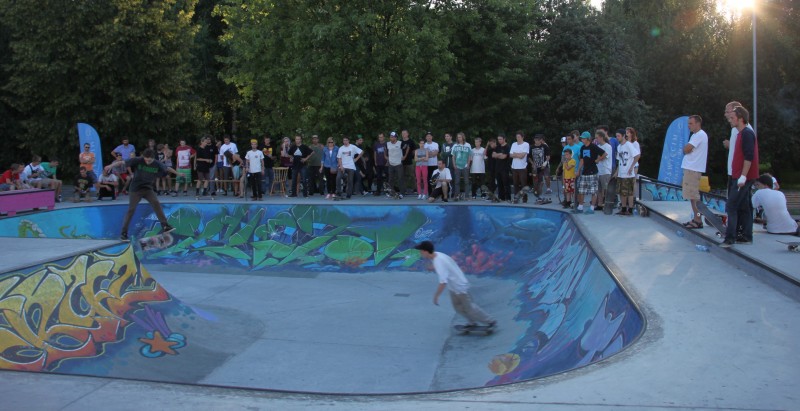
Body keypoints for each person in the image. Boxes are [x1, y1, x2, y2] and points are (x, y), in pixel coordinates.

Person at [414, 240, 495, 330]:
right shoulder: (437, 255)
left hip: (460, 287)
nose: (420, 253)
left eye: (421, 251)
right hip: (453, 287)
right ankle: (472, 322)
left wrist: (436, 296)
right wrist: (432, 268)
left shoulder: (438, 261)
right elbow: (446, 266)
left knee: (470, 308)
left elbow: (443, 282)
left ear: (425, 251)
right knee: (458, 307)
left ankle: (490, 321)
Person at [105, 148, 177, 241]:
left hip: (147, 189)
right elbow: (121, 162)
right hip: (135, 189)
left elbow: (167, 168)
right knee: (131, 209)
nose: (147, 162)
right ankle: (123, 233)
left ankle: (165, 226)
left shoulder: (157, 163)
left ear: (153, 158)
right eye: (146, 160)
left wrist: (178, 173)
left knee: (156, 203)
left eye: (149, 160)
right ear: (144, 157)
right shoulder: (138, 160)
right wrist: (110, 165)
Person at [722, 106, 759, 247]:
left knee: (731, 206)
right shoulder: (740, 133)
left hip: (743, 177)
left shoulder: (747, 133)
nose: (730, 120)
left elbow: (749, 156)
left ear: (740, 118)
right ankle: (746, 236)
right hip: (738, 175)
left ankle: (730, 238)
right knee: (744, 206)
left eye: (732, 118)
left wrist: (743, 177)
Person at [681, 115, 709, 228]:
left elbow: (686, 149)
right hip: (691, 168)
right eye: (688, 123)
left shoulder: (700, 135)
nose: (689, 126)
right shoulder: (695, 135)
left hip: (693, 169)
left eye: (691, 123)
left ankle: (698, 220)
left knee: (694, 196)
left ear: (698, 123)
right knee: (692, 196)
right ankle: (696, 218)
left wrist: (685, 149)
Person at [573, 131, 607, 214]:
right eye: (581, 138)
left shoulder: (593, 146)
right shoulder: (582, 147)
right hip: (584, 171)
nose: (582, 140)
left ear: (588, 139)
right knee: (581, 190)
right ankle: (580, 207)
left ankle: (591, 208)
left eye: (583, 138)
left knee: (593, 191)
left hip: (593, 171)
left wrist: (598, 159)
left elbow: (604, 153)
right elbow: (582, 160)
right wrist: (578, 170)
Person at [616, 129, 641, 215]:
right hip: (621, 172)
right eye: (616, 136)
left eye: (618, 136)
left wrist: (631, 166)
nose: (617, 137)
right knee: (621, 192)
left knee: (629, 192)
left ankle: (630, 209)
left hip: (628, 173)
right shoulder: (619, 147)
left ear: (623, 136)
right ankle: (623, 208)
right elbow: (619, 160)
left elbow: (637, 155)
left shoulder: (629, 145)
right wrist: (616, 172)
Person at [594, 131, 613, 211]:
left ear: (601, 137)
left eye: (597, 137)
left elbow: (605, 156)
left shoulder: (608, 146)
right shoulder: (597, 146)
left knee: (605, 189)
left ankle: (606, 204)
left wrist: (598, 159)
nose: (596, 139)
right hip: (598, 170)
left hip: (605, 170)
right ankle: (599, 204)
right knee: (599, 189)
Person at [451, 132, 472, 201]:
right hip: (457, 166)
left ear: (463, 137)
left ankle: (467, 196)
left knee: (466, 182)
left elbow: (469, 155)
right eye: (458, 137)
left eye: (460, 137)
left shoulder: (468, 145)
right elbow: (453, 156)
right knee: (457, 182)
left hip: (465, 166)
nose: (459, 138)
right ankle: (457, 196)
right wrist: (454, 165)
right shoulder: (455, 145)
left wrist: (468, 164)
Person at [529, 134, 551, 200]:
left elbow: (548, 156)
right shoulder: (531, 147)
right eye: (536, 140)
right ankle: (537, 193)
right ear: (534, 140)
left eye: (538, 140)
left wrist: (545, 163)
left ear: (540, 140)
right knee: (536, 181)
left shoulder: (544, 146)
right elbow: (529, 157)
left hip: (544, 165)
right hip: (536, 167)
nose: (537, 141)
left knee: (544, 178)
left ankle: (545, 191)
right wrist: (532, 163)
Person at [509, 132, 529, 201]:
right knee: (515, 184)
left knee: (523, 184)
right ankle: (516, 198)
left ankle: (524, 198)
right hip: (514, 167)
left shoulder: (526, 144)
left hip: (522, 167)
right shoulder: (514, 144)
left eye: (519, 137)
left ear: (522, 137)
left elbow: (522, 156)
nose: (517, 138)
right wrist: (518, 154)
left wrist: (515, 154)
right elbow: (511, 155)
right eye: (517, 137)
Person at [492, 135, 511, 201]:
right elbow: (493, 155)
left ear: (504, 139)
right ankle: (501, 197)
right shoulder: (497, 147)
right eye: (498, 139)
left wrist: (497, 155)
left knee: (506, 183)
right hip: (498, 167)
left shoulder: (507, 146)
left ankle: (508, 197)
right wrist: (500, 154)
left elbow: (504, 157)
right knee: (499, 183)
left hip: (505, 168)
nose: (499, 140)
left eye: (500, 139)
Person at [386, 131, 404, 198]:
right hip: (391, 164)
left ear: (396, 137)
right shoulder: (387, 144)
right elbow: (386, 152)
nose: (392, 138)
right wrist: (387, 159)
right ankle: (391, 193)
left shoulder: (400, 143)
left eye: (393, 137)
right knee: (390, 179)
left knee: (400, 178)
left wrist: (404, 157)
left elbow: (406, 150)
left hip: (398, 164)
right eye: (391, 137)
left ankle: (402, 193)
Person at [400, 130, 417, 195]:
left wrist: (414, 157)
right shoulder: (400, 142)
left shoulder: (411, 141)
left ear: (407, 134)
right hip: (401, 161)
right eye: (402, 133)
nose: (403, 134)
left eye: (405, 133)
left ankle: (415, 189)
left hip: (409, 161)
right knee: (402, 176)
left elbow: (414, 150)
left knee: (412, 175)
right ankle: (404, 190)